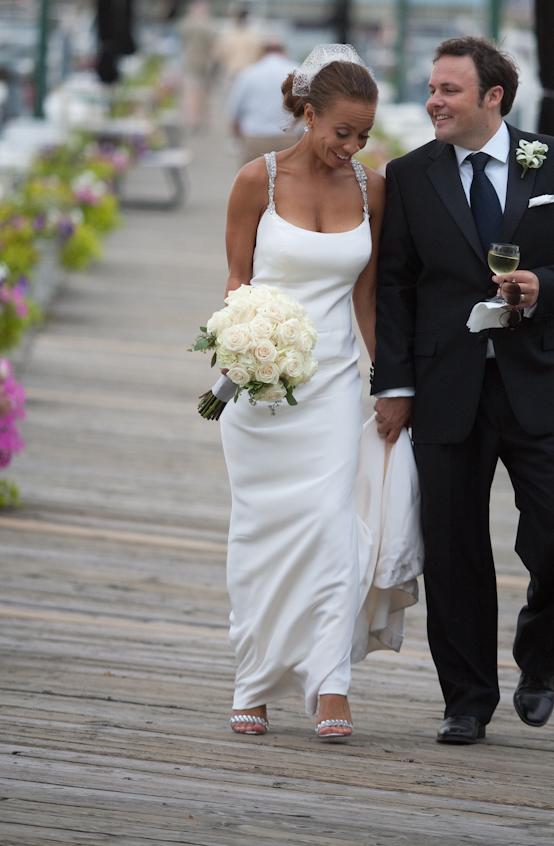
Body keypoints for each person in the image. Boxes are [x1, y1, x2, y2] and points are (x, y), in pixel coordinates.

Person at [373, 36, 554, 744]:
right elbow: (395, 286)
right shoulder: (409, 175)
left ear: (493, 98)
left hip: (540, 379)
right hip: (446, 383)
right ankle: (468, 700)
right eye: (431, 88)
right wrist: (393, 383)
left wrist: (546, 287)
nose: (433, 101)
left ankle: (538, 652)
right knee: (452, 548)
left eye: (450, 90)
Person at [219, 45, 397, 740]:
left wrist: (390, 387)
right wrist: (241, 358)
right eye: (341, 132)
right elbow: (236, 286)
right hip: (261, 394)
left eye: (363, 135)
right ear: (307, 113)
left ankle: (331, 684)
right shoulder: (253, 183)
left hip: (332, 392)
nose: (350, 147)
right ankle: (254, 680)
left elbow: (370, 299)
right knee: (260, 537)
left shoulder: (371, 189)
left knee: (332, 532)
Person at [227, 41, 298, 166]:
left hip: (255, 137)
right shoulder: (297, 71)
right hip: (289, 138)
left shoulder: (248, 73)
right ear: (284, 52)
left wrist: (235, 139)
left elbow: (235, 111)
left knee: (252, 182)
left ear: (262, 52)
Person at [180, 0, 216, 131]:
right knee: (204, 94)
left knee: (190, 92)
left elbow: (182, 41)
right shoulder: (208, 24)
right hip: (205, 63)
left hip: (190, 62)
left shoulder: (186, 23)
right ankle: (203, 120)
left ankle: (191, 121)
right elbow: (213, 44)